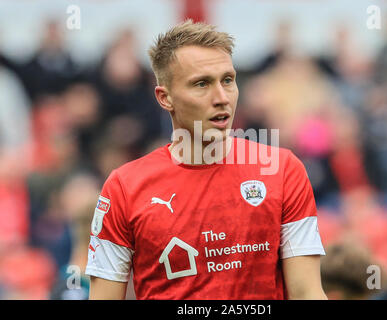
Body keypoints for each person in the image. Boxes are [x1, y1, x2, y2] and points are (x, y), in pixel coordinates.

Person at [86, 20, 327, 300]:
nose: (222, 98)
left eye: (228, 80)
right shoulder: (124, 187)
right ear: (165, 98)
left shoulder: (283, 170)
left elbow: (307, 292)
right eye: (202, 84)